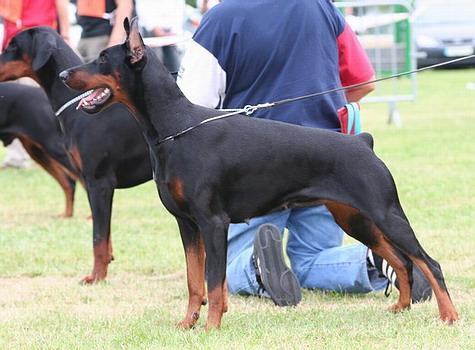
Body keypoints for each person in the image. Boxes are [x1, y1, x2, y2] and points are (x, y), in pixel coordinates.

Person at [177, 0, 432, 306]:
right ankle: (374, 261)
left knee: (228, 263)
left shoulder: (220, 18)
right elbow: (363, 81)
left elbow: (192, 106)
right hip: (327, 160)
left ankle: (256, 267)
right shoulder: (320, 6)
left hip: (252, 169)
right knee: (312, 258)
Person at [0, 0, 70, 169]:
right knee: (13, 107)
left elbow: (61, 3)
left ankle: (59, 151)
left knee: (36, 106)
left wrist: (66, 35)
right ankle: (17, 157)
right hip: (12, 45)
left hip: (38, 47)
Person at [135, 0, 185, 72]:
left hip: (171, 31)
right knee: (152, 66)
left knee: (175, 65)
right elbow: (142, 7)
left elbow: (179, 9)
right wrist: (153, 27)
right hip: (150, 30)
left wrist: (174, 32)